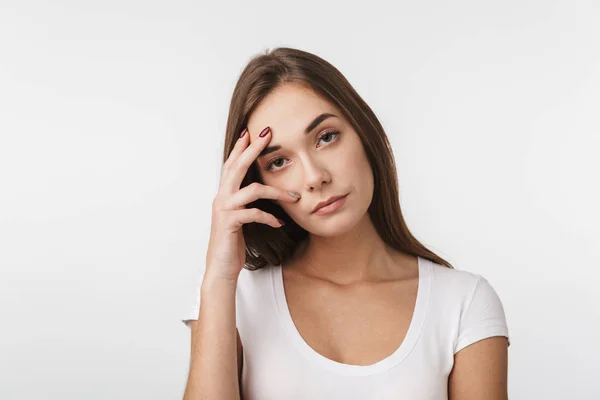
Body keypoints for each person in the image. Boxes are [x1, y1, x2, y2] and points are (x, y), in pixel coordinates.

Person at [182, 47, 510, 400]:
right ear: (256, 184)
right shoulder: (233, 299)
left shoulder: (463, 304)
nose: (314, 177)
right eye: (278, 161)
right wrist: (217, 277)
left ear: (364, 133)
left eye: (326, 137)